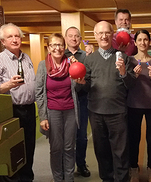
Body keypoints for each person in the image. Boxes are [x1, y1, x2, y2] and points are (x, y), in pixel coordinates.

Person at [76, 21, 136, 182]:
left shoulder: (123, 57)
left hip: (118, 112)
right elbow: (86, 85)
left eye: (107, 33)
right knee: (102, 152)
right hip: (96, 112)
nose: (104, 36)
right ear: (95, 36)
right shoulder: (89, 60)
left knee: (121, 152)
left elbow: (131, 84)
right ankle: (107, 179)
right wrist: (81, 83)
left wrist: (123, 72)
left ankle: (122, 179)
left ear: (113, 35)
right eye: (100, 33)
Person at [0, 23, 36, 182]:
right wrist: (8, 85)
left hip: (29, 110)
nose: (15, 39)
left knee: (29, 148)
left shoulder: (26, 57)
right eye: (10, 37)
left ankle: (28, 178)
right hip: (11, 113)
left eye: (17, 36)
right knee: (13, 151)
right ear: (3, 41)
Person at [35, 33, 79, 182]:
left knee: (69, 148)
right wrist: (43, 117)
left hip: (70, 110)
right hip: (52, 111)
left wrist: (77, 69)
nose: (57, 48)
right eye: (54, 45)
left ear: (64, 47)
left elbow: (79, 87)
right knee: (56, 148)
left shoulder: (71, 64)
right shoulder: (43, 65)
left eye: (60, 44)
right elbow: (39, 92)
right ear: (49, 48)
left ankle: (69, 178)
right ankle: (58, 179)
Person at [127, 29, 151, 182]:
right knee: (134, 138)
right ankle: (134, 169)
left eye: (145, 39)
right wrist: (134, 76)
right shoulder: (129, 60)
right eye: (140, 40)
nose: (143, 43)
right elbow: (126, 85)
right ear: (135, 42)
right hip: (134, 104)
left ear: (149, 42)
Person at [64, 26, 90, 177]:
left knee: (81, 136)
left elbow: (90, 79)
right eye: (71, 36)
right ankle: (67, 167)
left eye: (77, 36)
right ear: (66, 38)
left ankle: (81, 164)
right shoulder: (61, 54)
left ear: (80, 39)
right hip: (66, 99)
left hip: (82, 99)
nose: (74, 38)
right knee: (67, 136)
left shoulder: (86, 56)